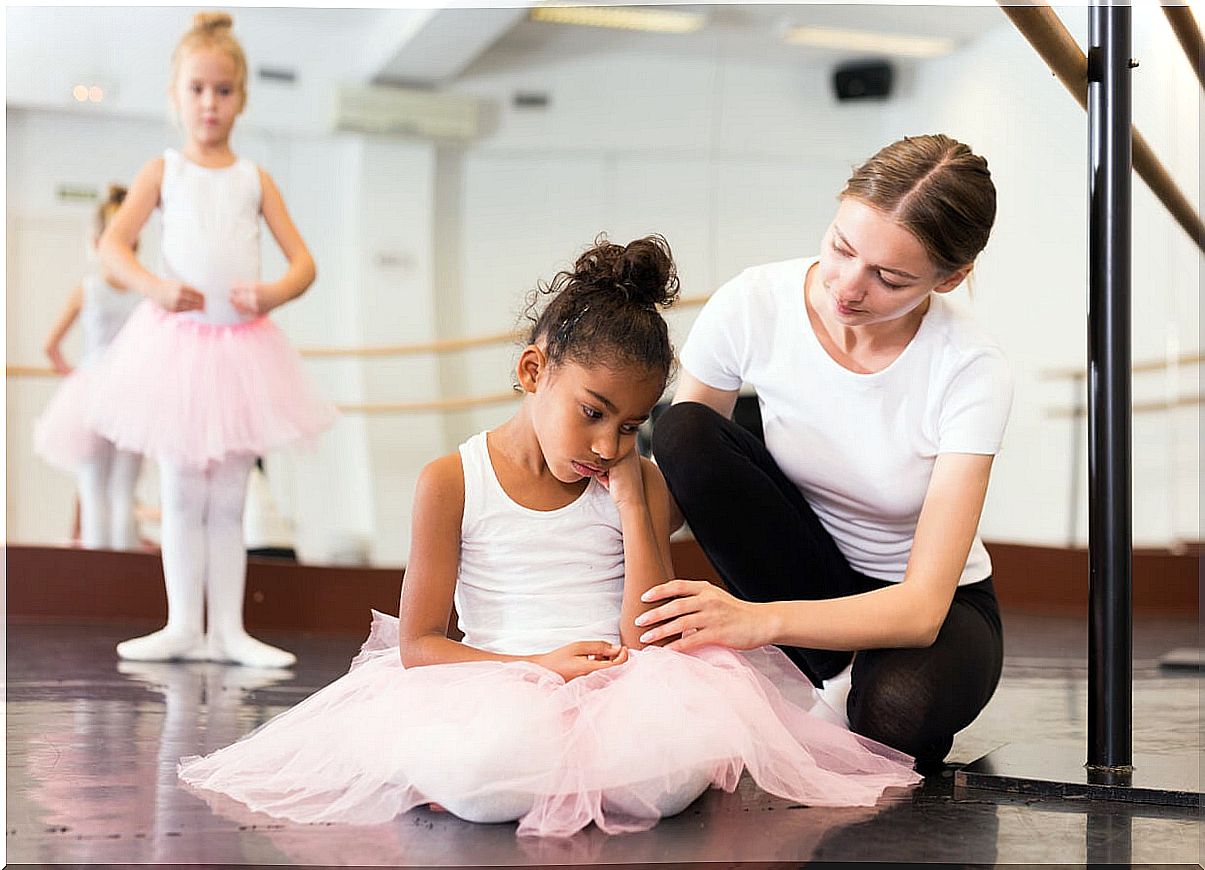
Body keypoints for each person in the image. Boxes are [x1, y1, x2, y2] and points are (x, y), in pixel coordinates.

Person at [177, 235, 919, 838]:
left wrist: (632, 501)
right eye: (592, 412)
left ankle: (518, 779)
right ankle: (476, 778)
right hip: (496, 675)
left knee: (662, 777)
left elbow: (646, 633)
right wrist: (538, 667)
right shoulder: (450, 480)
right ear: (534, 371)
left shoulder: (636, 481)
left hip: (622, 680)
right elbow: (420, 646)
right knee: (485, 770)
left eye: (628, 425)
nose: (605, 443)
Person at [643, 134, 1013, 771]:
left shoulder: (970, 369)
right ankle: (829, 675)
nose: (847, 286)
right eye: (842, 247)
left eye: (890, 278)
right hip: (804, 567)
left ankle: (847, 687)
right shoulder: (753, 303)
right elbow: (682, 481)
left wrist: (757, 624)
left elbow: (923, 609)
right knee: (683, 429)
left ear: (950, 278)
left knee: (893, 718)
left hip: (931, 606)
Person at [92, 12, 336, 667]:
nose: (209, 102)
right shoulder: (163, 170)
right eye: (197, 89)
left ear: (242, 98)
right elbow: (114, 246)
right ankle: (180, 624)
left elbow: (303, 262)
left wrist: (276, 292)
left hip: (241, 350)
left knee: (229, 496)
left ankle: (227, 630)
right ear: (176, 97)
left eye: (222, 91)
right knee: (178, 491)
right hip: (175, 346)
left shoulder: (254, 178)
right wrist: (154, 285)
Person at [34, 185, 143, 550]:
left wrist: (70, 372)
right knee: (124, 491)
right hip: (132, 394)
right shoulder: (144, 293)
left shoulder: (88, 288)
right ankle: (127, 579)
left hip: (91, 390)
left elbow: (50, 346)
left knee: (93, 490)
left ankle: (100, 577)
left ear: (97, 242)